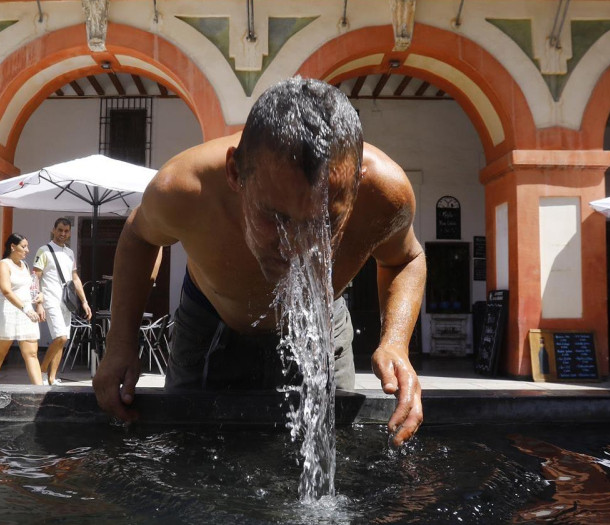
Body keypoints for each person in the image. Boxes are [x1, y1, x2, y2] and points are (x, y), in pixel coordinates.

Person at [93, 77, 425, 446]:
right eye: (276, 218)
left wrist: (395, 342)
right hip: (210, 324)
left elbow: (405, 258)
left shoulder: (386, 194)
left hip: (323, 321)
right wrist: (120, 341)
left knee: (339, 449)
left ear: (358, 183)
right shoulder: (184, 189)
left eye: (323, 223)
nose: (298, 248)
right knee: (188, 455)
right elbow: (139, 236)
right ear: (236, 173)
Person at [33, 217, 92, 385]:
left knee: (62, 340)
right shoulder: (43, 250)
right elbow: (35, 276)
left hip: (66, 301)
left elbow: (75, 278)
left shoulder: (70, 253)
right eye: (60, 230)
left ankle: (51, 378)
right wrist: (38, 303)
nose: (63, 234)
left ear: (69, 233)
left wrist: (84, 301)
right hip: (50, 299)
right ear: (53, 230)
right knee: (61, 337)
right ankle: (41, 371)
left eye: (66, 231)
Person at [0, 232, 44, 385]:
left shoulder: (24, 265)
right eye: (23, 247)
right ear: (13, 247)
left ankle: (40, 391)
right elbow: (6, 291)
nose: (27, 250)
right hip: (8, 312)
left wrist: (38, 298)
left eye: (27, 247)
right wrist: (26, 309)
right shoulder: (3, 264)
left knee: (31, 353)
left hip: (26, 312)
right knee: (0, 353)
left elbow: (29, 288)